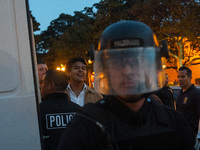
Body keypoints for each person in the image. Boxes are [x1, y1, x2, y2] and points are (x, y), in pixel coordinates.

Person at [58, 21, 195, 150]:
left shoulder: (173, 121)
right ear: (106, 69)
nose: (128, 71)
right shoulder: (84, 127)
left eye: (136, 61)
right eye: (118, 62)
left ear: (150, 66)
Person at [39, 69, 81, 150]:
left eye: (43, 83)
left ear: (51, 85)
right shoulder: (79, 110)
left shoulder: (39, 111)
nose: (41, 87)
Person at [176, 66, 200, 138]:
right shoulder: (180, 93)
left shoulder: (196, 94)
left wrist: (198, 135)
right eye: (178, 77)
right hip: (181, 134)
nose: (180, 79)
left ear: (190, 78)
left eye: (183, 76)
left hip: (192, 135)